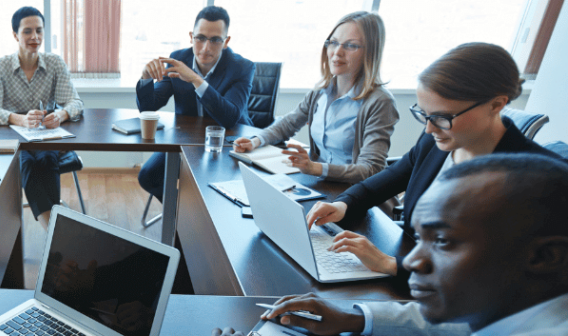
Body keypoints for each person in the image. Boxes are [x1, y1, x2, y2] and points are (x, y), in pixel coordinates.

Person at [218, 154, 568, 336]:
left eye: (442, 242)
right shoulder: (509, 307)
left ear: (545, 256)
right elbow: (465, 324)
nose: (412, 261)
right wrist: (356, 318)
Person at [304, 42, 562, 279]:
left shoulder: (537, 181)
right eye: (424, 114)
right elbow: (384, 182)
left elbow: (488, 274)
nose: (429, 129)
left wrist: (391, 264)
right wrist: (343, 204)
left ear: (496, 105)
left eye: (441, 117)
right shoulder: (437, 141)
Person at [233, 12, 398, 183]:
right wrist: (255, 141)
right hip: (323, 185)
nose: (337, 52)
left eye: (350, 46)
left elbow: (371, 170)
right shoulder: (321, 91)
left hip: (355, 195)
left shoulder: (380, 102)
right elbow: (288, 123)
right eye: (333, 43)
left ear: (370, 52)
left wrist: (314, 168)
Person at [136, 5, 256, 202]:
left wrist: (196, 80)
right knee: (148, 177)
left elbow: (230, 117)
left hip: (230, 142)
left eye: (215, 40)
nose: (205, 48)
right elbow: (148, 108)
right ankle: (180, 222)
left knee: (213, 193)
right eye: (200, 38)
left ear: (226, 41)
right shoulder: (178, 58)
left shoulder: (242, 67)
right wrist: (145, 79)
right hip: (187, 141)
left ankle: (196, 220)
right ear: (191, 36)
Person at [0, 6, 85, 227]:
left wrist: (61, 113)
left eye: (39, 30)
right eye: (27, 31)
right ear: (15, 34)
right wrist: (18, 119)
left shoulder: (55, 63)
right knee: (27, 162)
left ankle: (53, 233)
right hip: (13, 138)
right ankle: (54, 231)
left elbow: (76, 102)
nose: (34, 37)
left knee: (47, 158)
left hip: (45, 136)